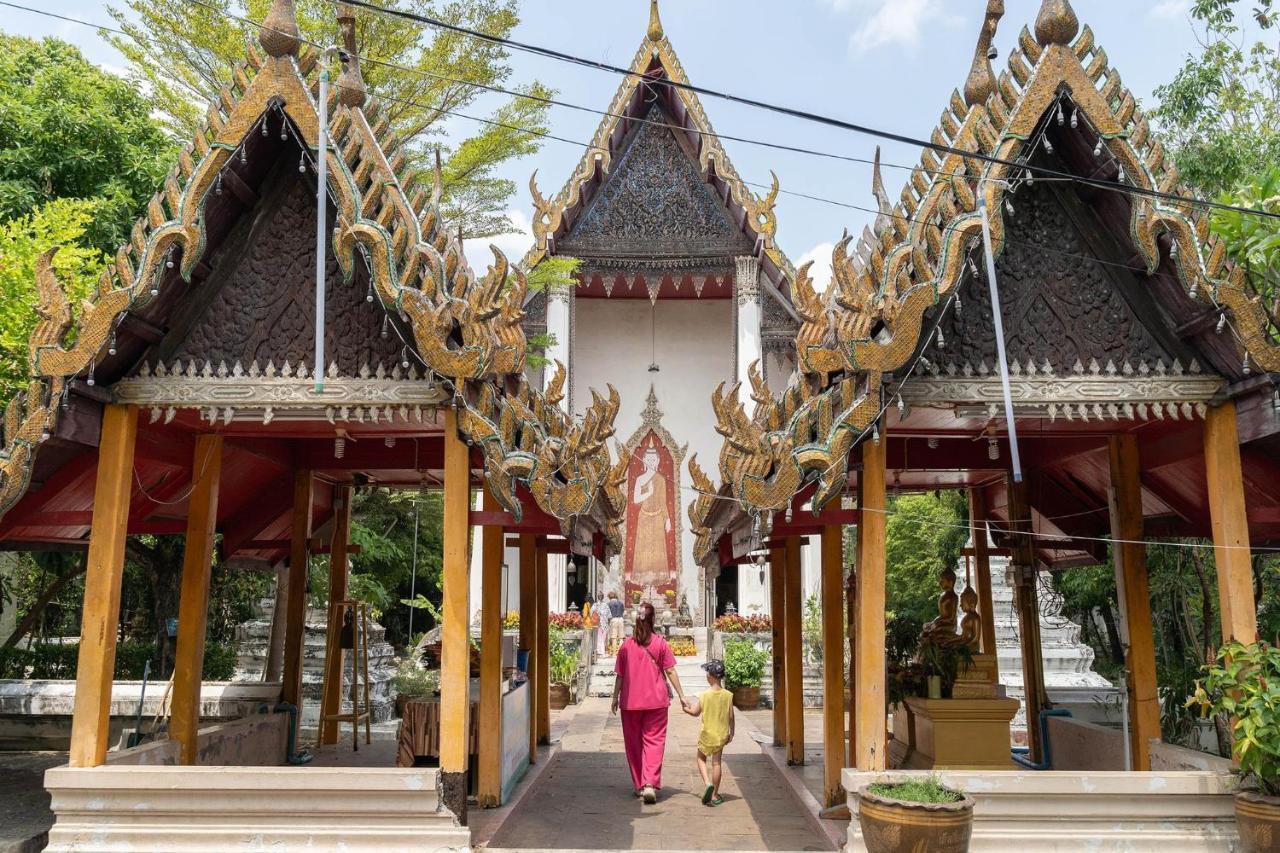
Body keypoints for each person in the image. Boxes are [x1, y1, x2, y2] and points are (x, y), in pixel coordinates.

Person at [611, 602, 687, 804]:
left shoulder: (626, 645)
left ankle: (639, 784)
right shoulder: (660, 643)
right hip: (656, 701)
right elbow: (670, 670)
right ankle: (650, 783)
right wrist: (681, 695)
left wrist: (614, 698)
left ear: (635, 620)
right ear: (653, 620)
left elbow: (619, 675)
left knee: (634, 743)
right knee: (654, 741)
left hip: (630, 702)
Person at [682, 659, 735, 806]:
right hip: (721, 734)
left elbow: (695, 712)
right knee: (717, 762)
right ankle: (715, 794)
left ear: (711, 676)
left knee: (700, 758)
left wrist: (685, 708)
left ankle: (707, 783)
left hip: (707, 734)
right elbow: (731, 716)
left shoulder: (704, 695)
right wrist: (732, 732)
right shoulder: (728, 695)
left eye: (707, 673)